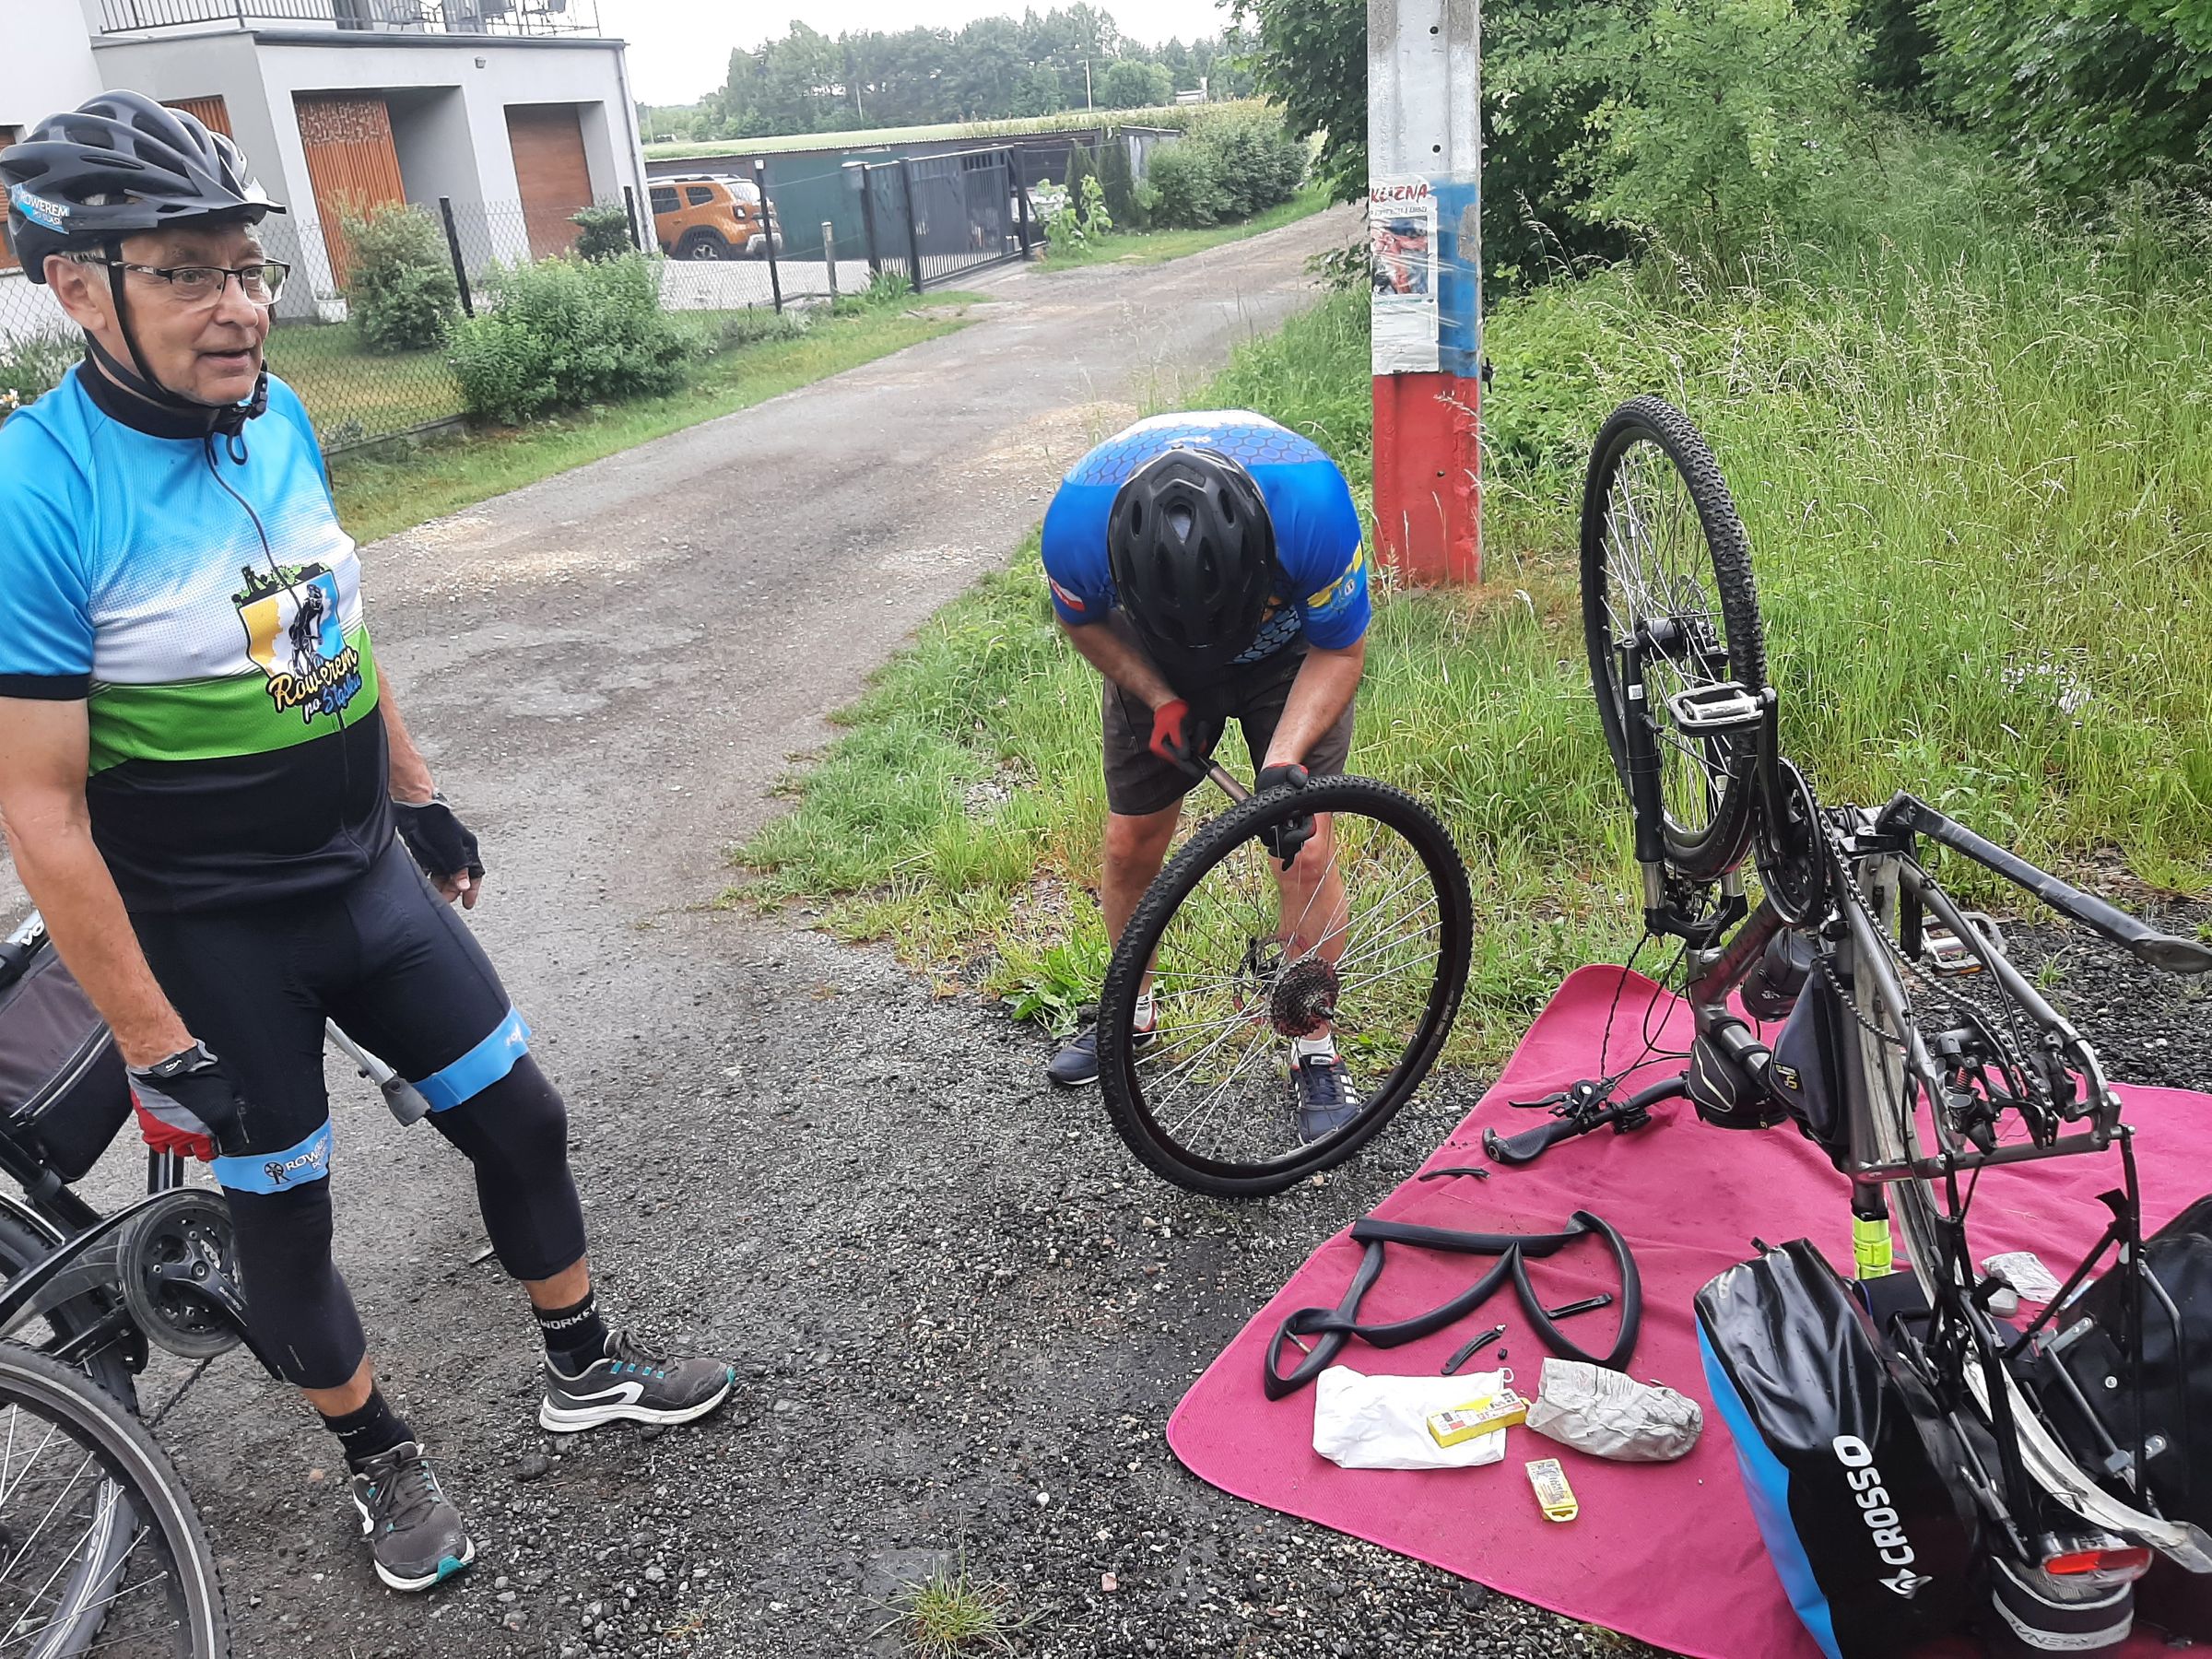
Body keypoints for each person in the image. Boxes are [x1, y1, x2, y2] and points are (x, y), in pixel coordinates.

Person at [0, 94, 732, 1594]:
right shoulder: (34, 493)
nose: (239, 306)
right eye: (186, 271)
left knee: (520, 1120)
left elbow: (329, 621)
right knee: (290, 1224)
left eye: (245, 267)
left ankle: (583, 1366)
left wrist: (415, 790)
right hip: (214, 932)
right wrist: (152, 1040)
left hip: (360, 873)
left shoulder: (276, 416)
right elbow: (39, 809)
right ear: (77, 286)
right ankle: (378, 1454)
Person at [1037, 411, 1371, 1139]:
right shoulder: (1076, 527)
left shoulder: (1312, 507)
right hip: (1152, 654)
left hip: (1290, 660)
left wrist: (1284, 759)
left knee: (1305, 848)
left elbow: (1341, 649)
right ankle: (1134, 1010)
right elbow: (1083, 621)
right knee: (1130, 843)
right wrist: (1158, 697)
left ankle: (1312, 1042)